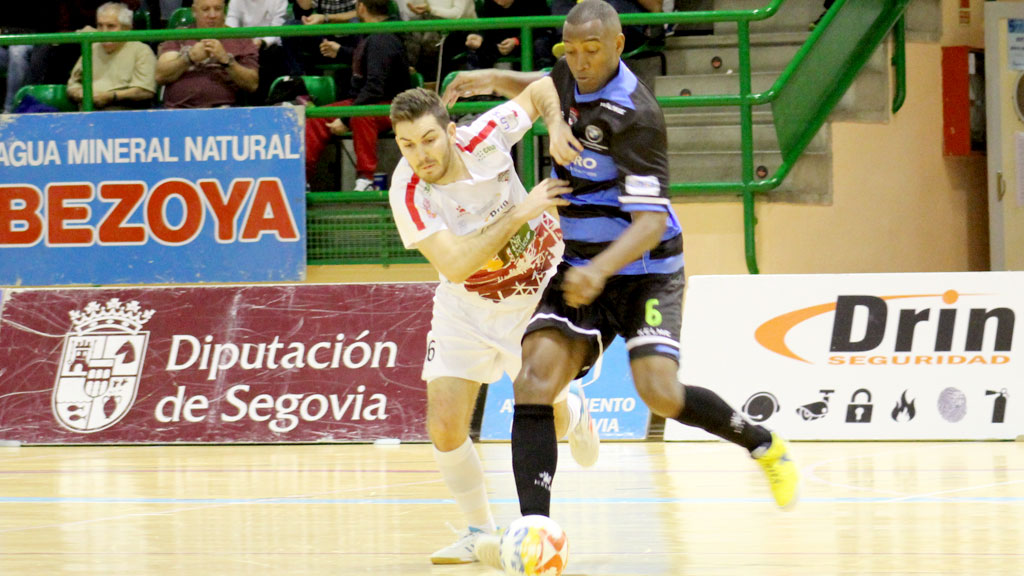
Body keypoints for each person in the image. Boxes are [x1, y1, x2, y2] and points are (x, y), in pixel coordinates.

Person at [445, 0, 799, 566]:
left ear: (617, 45)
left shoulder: (636, 115)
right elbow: (542, 84)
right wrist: (490, 78)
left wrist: (600, 271)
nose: (580, 62)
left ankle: (762, 443)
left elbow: (652, 222)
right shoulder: (569, 75)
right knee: (533, 378)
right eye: (572, 51)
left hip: (645, 271)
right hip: (581, 261)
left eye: (592, 51)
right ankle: (537, 530)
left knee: (659, 390)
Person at [386, 86, 600, 564]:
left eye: (428, 140)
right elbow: (457, 264)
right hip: (467, 306)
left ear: (452, 132)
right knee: (443, 423)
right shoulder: (408, 191)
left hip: (539, 292)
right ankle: (478, 530)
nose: (421, 155)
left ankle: (575, 407)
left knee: (552, 419)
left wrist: (558, 128)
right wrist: (520, 212)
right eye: (407, 145)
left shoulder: (486, 134)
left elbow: (545, 88)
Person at [304, 0, 411, 191]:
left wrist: (346, 118)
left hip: (392, 105)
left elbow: (374, 89)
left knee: (362, 115)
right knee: (316, 118)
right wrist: (342, 52)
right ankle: (302, 180)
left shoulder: (381, 39)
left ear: (361, 7)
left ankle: (366, 179)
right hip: (369, 100)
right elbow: (372, 61)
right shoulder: (379, 36)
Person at [154, 0, 260, 108]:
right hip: (179, 109)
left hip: (225, 111)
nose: (212, 15)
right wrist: (189, 57)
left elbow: (252, 84)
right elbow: (161, 76)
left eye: (217, 9)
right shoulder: (179, 36)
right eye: (205, 9)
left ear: (224, 11)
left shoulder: (241, 39)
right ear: (194, 12)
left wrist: (227, 61)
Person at [66, 2, 157, 110]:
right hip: (87, 113)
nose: (104, 32)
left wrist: (111, 96)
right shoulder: (91, 47)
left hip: (125, 115)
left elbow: (145, 91)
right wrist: (80, 93)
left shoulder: (141, 51)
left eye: (111, 26)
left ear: (126, 28)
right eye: (100, 26)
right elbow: (73, 84)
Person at [225, 0, 300, 103]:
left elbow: (278, 29)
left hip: (270, 48)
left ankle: (267, 103)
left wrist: (262, 42)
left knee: (272, 55)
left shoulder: (279, 1)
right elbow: (230, 26)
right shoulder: (236, 1)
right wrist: (244, 43)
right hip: (243, 46)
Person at [464, 0, 547, 71]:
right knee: (475, 49)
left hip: (528, 40)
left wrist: (516, 41)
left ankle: (544, 83)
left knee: (540, 45)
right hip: (501, 43)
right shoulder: (490, 3)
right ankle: (475, 87)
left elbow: (542, 29)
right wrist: (480, 37)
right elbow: (487, 28)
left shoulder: (535, 2)